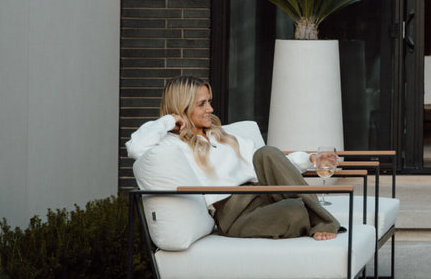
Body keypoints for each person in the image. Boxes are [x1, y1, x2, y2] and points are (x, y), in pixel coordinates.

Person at [126, 75, 341, 240]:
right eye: (202, 104)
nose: (210, 108)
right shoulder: (172, 143)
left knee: (266, 152)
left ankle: (324, 222)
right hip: (234, 214)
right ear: (182, 108)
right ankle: (317, 219)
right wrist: (167, 121)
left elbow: (270, 164)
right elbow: (135, 148)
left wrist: (311, 161)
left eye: (209, 101)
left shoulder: (223, 136)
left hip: (263, 194)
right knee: (294, 211)